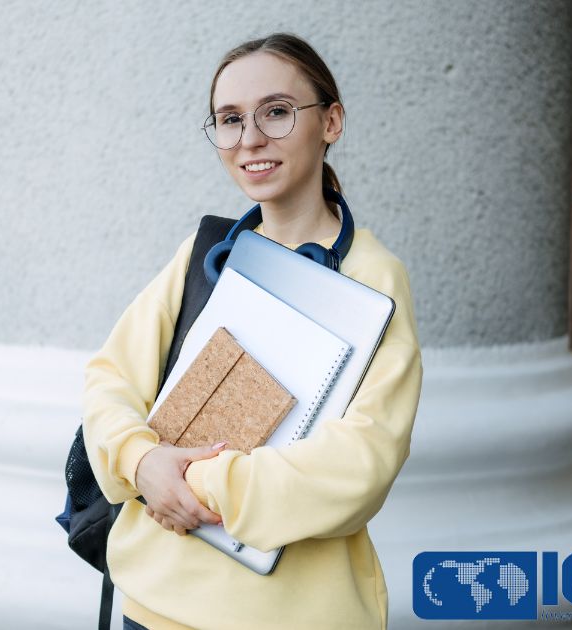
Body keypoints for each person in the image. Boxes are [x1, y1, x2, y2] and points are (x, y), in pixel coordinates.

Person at [81, 32, 424, 630]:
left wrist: (193, 480)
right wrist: (141, 463)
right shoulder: (206, 253)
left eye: (277, 112)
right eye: (229, 120)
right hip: (151, 602)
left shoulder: (373, 278)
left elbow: (360, 465)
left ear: (332, 121)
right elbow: (108, 382)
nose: (251, 139)